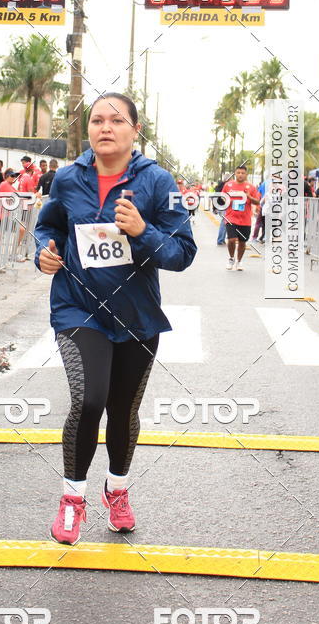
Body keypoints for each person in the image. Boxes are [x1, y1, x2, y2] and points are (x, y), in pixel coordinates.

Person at [35, 92, 196, 545]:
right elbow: (49, 226)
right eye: (97, 120)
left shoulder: (158, 182)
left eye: (116, 120)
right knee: (89, 400)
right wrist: (42, 253)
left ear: (134, 131)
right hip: (77, 308)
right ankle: (73, 498)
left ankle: (117, 490)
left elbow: (183, 254)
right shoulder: (67, 179)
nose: (105, 127)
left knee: (123, 409)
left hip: (136, 315)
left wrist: (143, 232)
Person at [222, 164, 260, 270]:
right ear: (235, 173)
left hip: (245, 219)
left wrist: (249, 196)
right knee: (232, 239)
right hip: (231, 217)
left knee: (242, 242)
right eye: (238, 172)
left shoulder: (251, 187)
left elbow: (257, 201)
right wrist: (227, 201)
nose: (240, 175)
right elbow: (222, 197)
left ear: (246, 174)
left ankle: (239, 261)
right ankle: (231, 258)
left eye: (243, 173)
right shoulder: (228, 185)